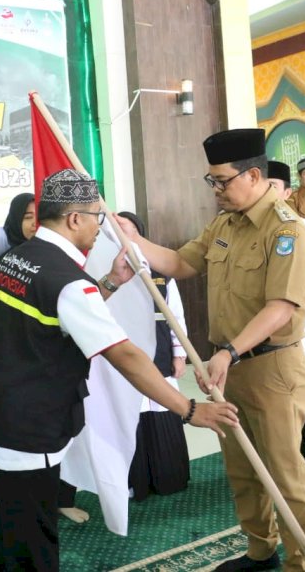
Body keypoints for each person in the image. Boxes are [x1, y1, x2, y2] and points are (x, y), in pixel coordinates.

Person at [0, 168, 238, 571]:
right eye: (97, 215)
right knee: (33, 547)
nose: (102, 226)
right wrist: (190, 410)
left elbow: (59, 316)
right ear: (74, 219)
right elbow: (125, 356)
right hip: (28, 430)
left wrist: (111, 281)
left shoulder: (17, 258)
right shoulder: (70, 283)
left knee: (7, 533)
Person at [117, 130, 305, 572]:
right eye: (211, 181)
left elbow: (282, 307)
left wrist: (227, 351)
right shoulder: (225, 224)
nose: (216, 190)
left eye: (221, 181)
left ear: (252, 175)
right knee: (242, 467)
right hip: (229, 368)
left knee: (285, 472)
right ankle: (260, 550)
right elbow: (180, 262)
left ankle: (300, 563)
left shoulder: (288, 230)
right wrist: (127, 239)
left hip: (271, 368)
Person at [0, 192, 88, 523]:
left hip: (57, 383)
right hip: (25, 391)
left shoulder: (67, 268)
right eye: (27, 217)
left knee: (65, 439)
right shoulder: (3, 266)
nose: (34, 223)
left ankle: (62, 497)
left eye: (38, 215)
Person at [118, 211, 191, 500]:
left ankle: (169, 478)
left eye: (133, 231)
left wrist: (179, 354)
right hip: (126, 362)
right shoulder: (110, 272)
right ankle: (135, 484)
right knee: (131, 418)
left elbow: (176, 316)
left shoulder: (160, 272)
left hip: (160, 354)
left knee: (163, 411)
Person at [267, 160, 305, 487]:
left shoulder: (302, 226)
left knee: (300, 398)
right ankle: (271, 462)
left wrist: (294, 300)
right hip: (257, 336)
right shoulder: (243, 227)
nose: (267, 193)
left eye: (274, 187)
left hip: (295, 330)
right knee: (267, 402)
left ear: (287, 192)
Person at [0, 193, 36, 291]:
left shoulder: (59, 257)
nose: (35, 223)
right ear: (16, 222)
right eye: (28, 217)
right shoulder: (1, 267)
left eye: (40, 216)